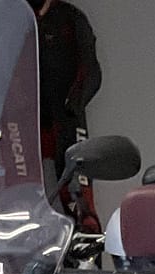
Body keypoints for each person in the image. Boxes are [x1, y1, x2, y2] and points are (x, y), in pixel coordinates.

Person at [26, 0, 103, 175]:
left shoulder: (71, 18)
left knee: (73, 180)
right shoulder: (7, 16)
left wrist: (72, 106)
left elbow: (91, 72)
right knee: (21, 183)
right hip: (21, 123)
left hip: (64, 121)